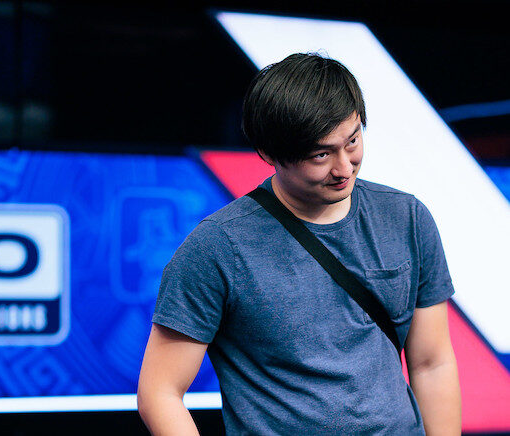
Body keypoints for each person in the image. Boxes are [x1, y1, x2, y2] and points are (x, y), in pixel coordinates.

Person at [137, 53, 461, 435]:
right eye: (321, 154)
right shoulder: (217, 247)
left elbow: (432, 363)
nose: (344, 168)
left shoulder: (406, 217)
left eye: (353, 141)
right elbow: (160, 391)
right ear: (269, 153)